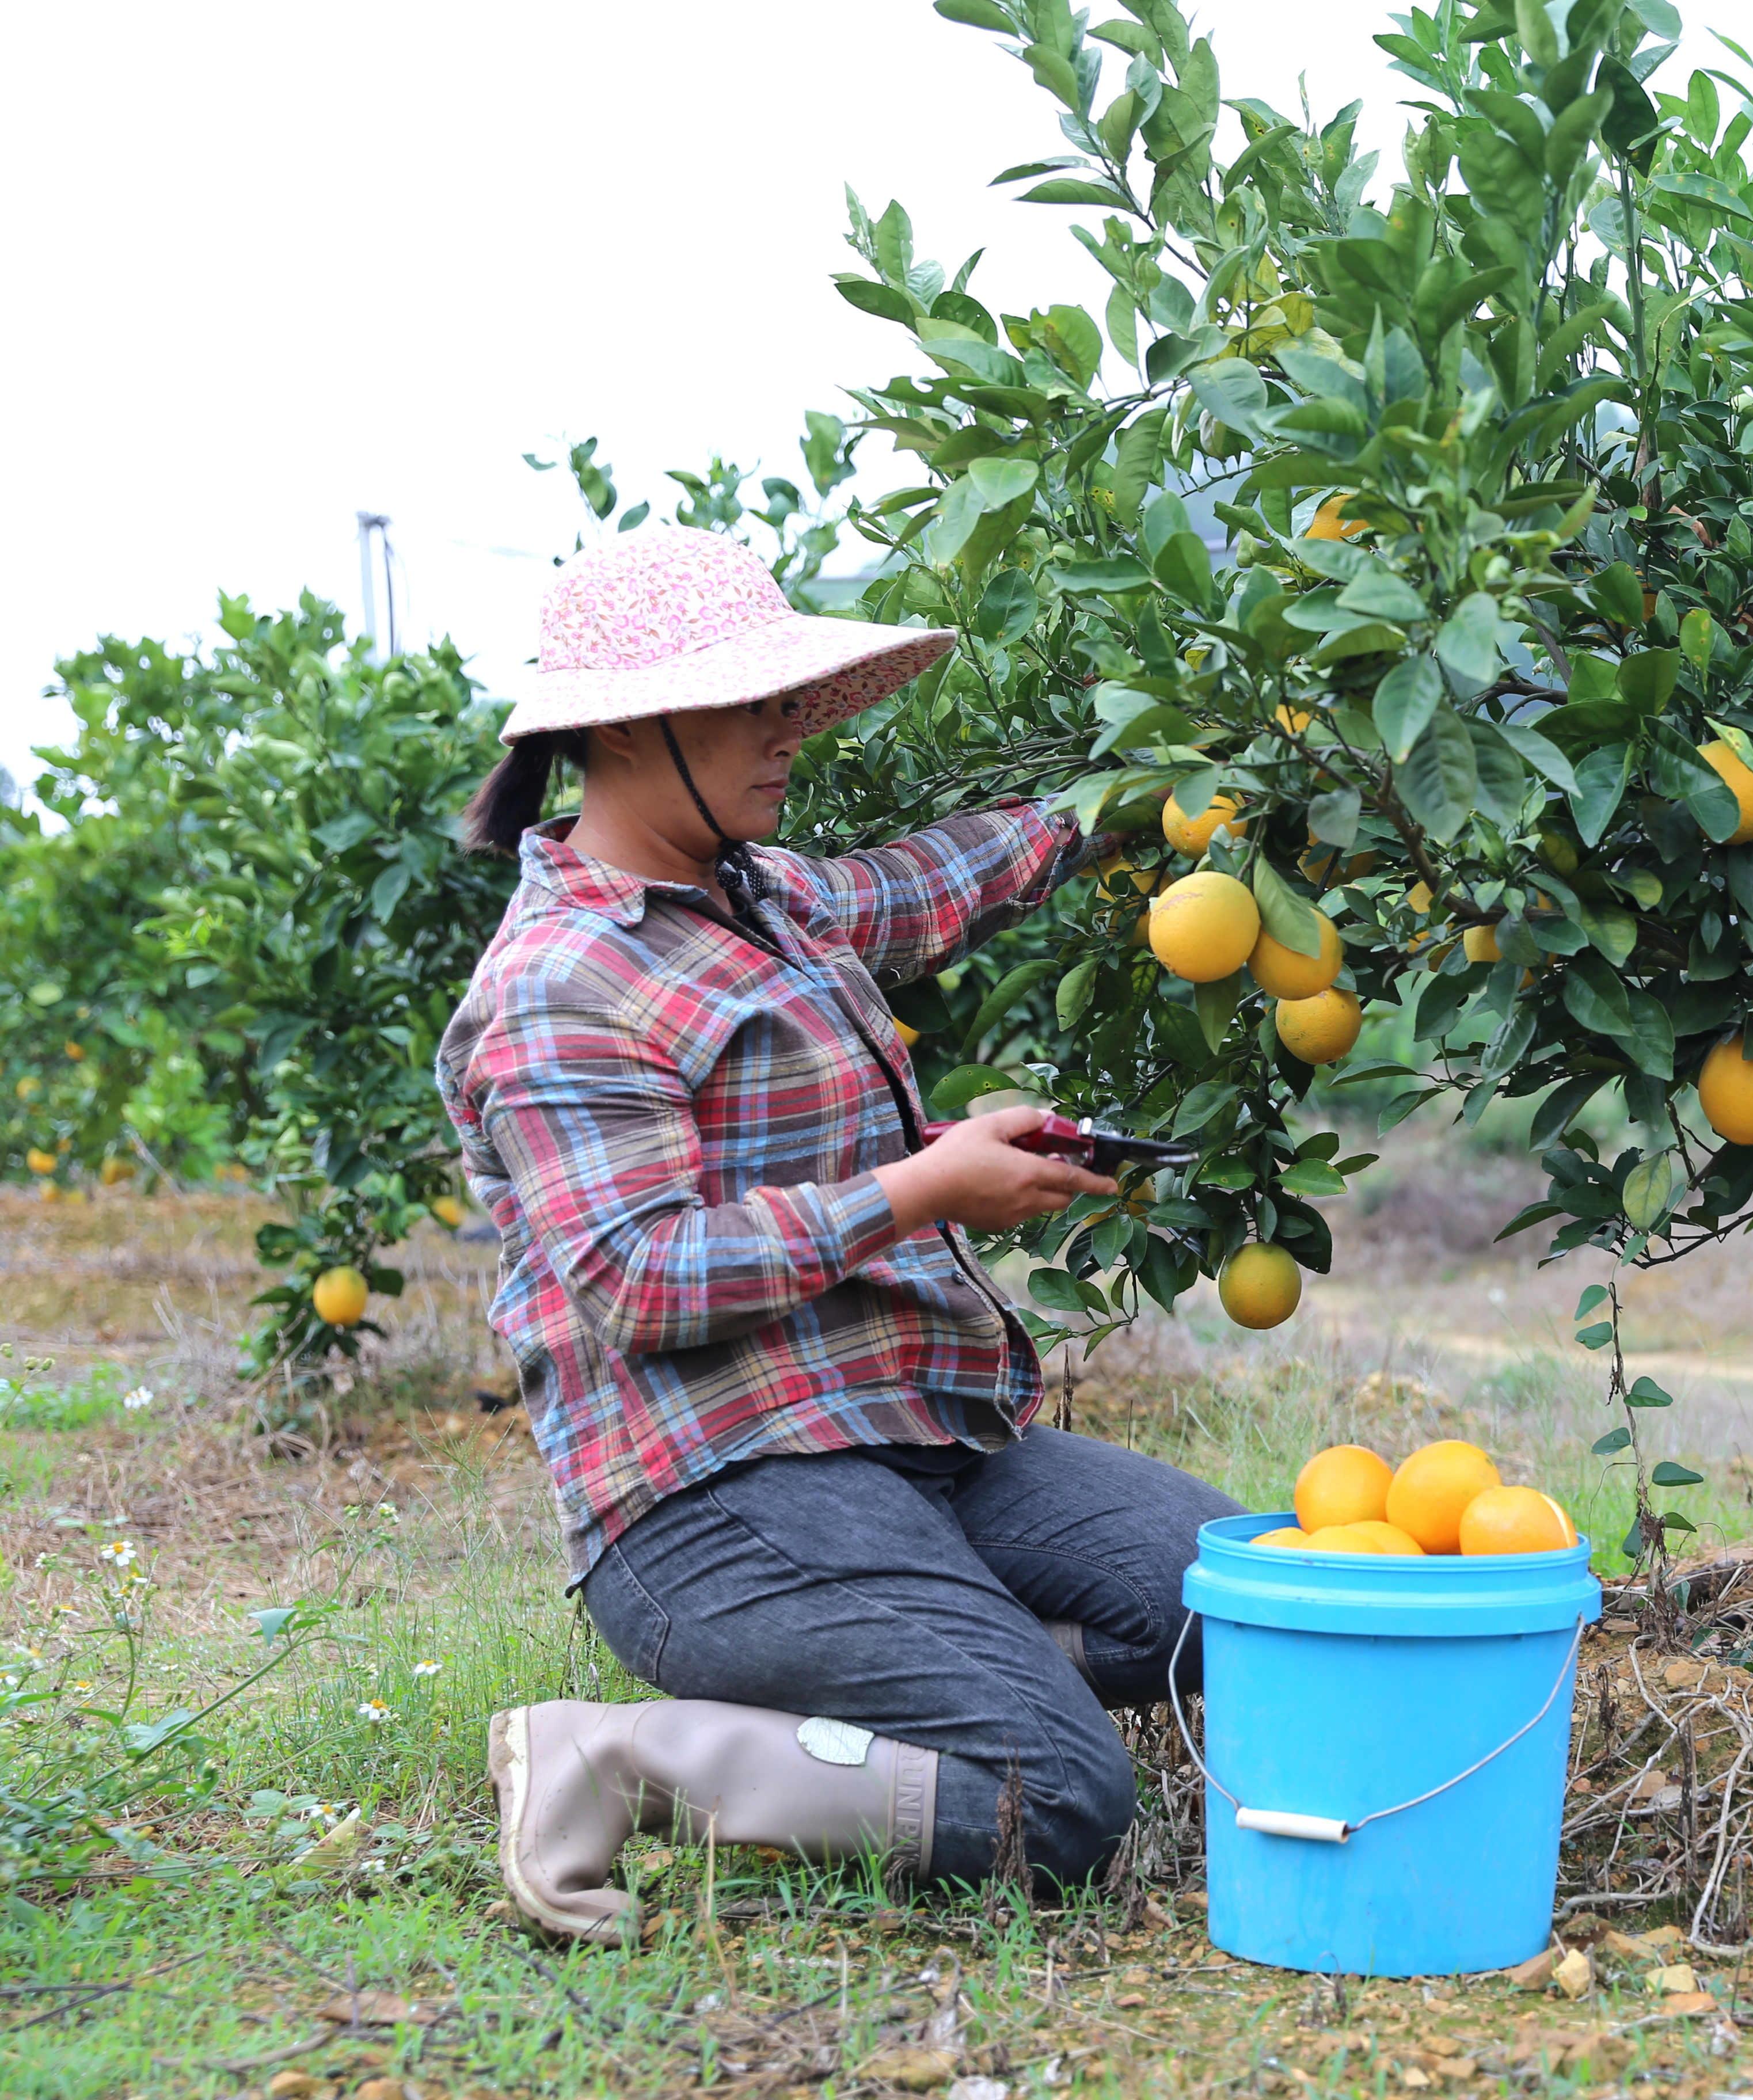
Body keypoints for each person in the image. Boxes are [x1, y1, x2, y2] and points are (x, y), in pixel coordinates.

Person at [438, 524, 1241, 1945]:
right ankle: (615, 1758)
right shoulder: (561, 983)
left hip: (915, 1448)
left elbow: (938, 882)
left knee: (1253, 1600)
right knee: (1060, 1797)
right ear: (630, 730)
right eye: (756, 704)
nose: (789, 733)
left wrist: (1133, 793)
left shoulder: (769, 897)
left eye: (786, 699)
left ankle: (916, 1670)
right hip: (716, 1507)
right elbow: (640, 1276)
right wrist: (923, 1192)